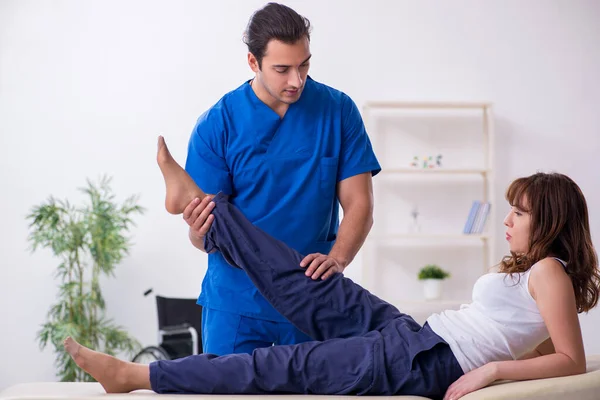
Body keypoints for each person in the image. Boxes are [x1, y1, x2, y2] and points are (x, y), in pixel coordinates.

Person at [64, 136, 600, 400]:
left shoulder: (550, 269)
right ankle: (201, 203)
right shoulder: (535, 273)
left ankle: (136, 376)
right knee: (305, 280)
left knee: (284, 365)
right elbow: (542, 344)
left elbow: (571, 360)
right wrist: (510, 356)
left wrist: (490, 371)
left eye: (520, 212)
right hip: (418, 336)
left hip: (428, 363)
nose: (508, 219)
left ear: (549, 221)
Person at [181, 2, 380, 356]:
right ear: (253, 63)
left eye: (304, 65)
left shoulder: (338, 110)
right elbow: (207, 236)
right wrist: (197, 230)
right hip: (237, 300)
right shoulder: (217, 124)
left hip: (311, 296)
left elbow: (359, 203)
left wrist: (339, 258)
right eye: (282, 69)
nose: (296, 80)